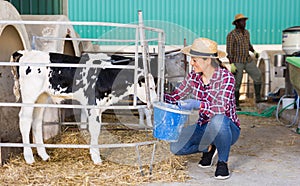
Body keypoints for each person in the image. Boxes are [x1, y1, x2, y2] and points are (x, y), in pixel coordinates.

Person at [164, 38, 240, 180]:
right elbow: (176, 96)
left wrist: (197, 104)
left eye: (194, 60)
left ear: (208, 60)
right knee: (176, 147)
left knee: (218, 120)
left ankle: (223, 162)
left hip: (227, 127)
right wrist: (156, 96)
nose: (191, 63)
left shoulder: (226, 77)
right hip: (203, 126)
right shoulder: (194, 76)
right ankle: (209, 148)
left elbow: (221, 109)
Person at [226, 13, 262, 111]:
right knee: (237, 83)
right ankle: (236, 104)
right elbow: (229, 51)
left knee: (258, 75)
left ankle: (258, 99)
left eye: (245, 21)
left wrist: (254, 51)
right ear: (237, 23)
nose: (244, 23)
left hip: (247, 59)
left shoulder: (246, 33)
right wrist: (232, 64)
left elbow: (248, 44)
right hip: (237, 61)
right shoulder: (231, 35)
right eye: (242, 21)